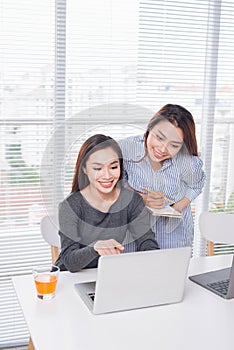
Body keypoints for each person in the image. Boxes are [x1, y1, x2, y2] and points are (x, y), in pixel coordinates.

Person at [55, 134, 159, 272]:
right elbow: (69, 261)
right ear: (85, 169)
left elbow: (147, 241)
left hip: (106, 273)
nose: (107, 175)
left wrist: (153, 259)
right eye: (98, 168)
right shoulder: (71, 205)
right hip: (69, 277)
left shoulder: (131, 201)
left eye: (113, 167)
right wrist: (95, 248)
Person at [119, 104, 205, 249]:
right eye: (159, 138)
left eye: (174, 145)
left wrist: (176, 207)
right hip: (133, 235)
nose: (163, 149)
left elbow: (196, 184)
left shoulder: (187, 162)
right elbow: (116, 184)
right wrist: (143, 198)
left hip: (173, 236)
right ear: (150, 128)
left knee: (170, 270)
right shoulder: (125, 148)